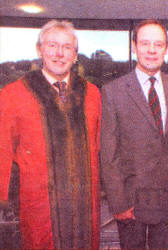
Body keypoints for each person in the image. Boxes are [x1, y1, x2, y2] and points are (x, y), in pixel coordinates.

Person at [0, 20, 101, 249]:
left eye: (67, 47)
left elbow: (98, 148)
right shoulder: (13, 94)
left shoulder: (92, 94)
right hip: (40, 211)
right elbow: (2, 152)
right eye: (52, 45)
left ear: (75, 55)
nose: (59, 53)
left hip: (85, 208)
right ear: (39, 50)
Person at [100, 19, 168, 249]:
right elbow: (108, 153)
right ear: (134, 46)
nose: (152, 50)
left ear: (166, 48)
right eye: (145, 43)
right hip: (131, 201)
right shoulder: (113, 91)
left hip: (167, 198)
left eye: (158, 44)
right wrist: (118, 203)